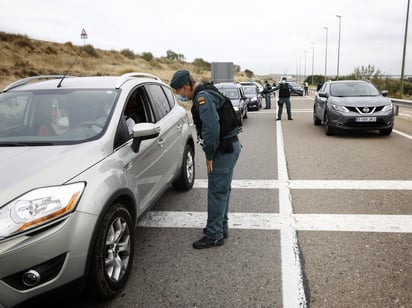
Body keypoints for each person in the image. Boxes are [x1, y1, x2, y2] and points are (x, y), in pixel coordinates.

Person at [170, 69, 241, 249]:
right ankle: (220, 227)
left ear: (186, 87)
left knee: (216, 192)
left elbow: (211, 129)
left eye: (180, 92)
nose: (181, 96)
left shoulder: (203, 97)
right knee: (222, 190)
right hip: (229, 146)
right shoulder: (207, 91)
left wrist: (209, 155)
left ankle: (214, 235)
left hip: (223, 150)